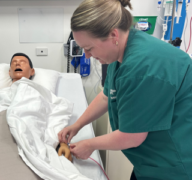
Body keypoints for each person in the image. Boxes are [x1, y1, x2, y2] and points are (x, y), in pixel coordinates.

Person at [58, 0, 192, 179]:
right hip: (150, 162)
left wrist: (90, 144)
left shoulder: (143, 67)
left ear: (113, 35)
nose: (87, 55)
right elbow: (107, 96)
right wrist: (77, 125)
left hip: (175, 165)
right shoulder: (120, 52)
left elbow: (133, 136)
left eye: (89, 48)